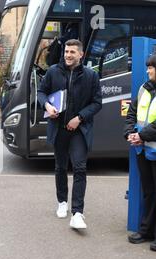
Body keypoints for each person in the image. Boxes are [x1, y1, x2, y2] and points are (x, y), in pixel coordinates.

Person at [38, 39, 102, 229]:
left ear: (81, 55)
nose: (68, 55)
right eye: (66, 51)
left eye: (72, 52)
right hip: (59, 128)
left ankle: (77, 213)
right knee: (60, 167)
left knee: (80, 168)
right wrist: (47, 105)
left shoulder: (91, 76)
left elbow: (97, 103)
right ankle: (62, 202)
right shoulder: (52, 72)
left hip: (79, 130)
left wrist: (79, 118)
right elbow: (41, 92)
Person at [125, 54, 156, 250]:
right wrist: (130, 133)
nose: (147, 70)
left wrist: (141, 135)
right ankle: (146, 231)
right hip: (143, 150)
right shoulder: (144, 89)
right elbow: (131, 113)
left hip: (147, 145)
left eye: (151, 67)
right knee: (149, 192)